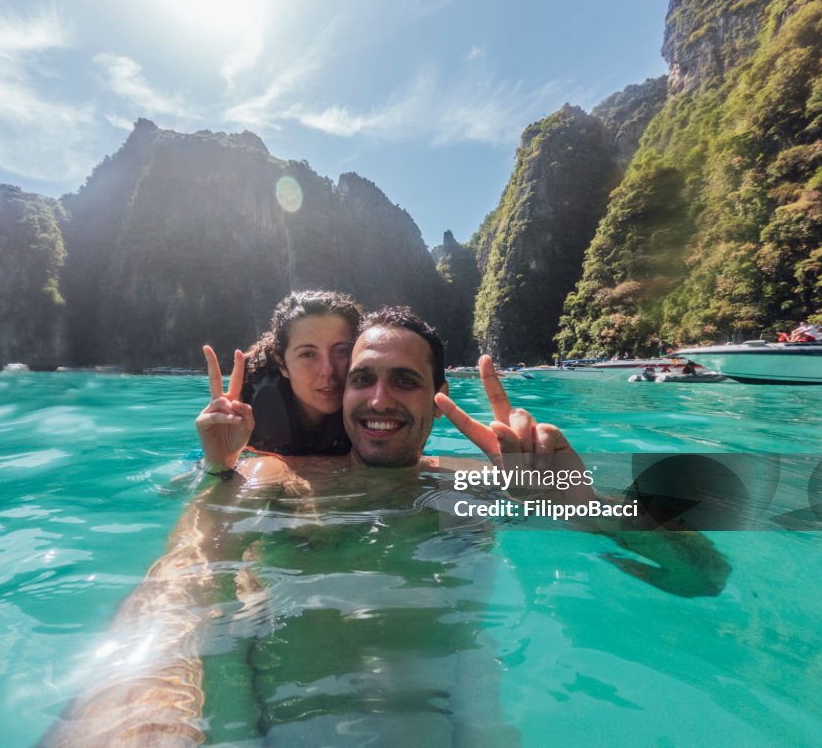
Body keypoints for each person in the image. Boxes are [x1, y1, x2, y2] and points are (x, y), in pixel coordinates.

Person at [42, 308, 731, 747]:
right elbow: (176, 589)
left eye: (404, 381)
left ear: (436, 402)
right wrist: (143, 722)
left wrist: (574, 498)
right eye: (362, 379)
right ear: (342, 396)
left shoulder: (475, 483)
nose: (378, 399)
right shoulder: (271, 481)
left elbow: (700, 578)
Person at [197, 290, 363, 475]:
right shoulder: (248, 416)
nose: (328, 371)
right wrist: (218, 463)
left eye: (342, 351)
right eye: (307, 354)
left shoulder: (376, 407)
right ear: (282, 364)